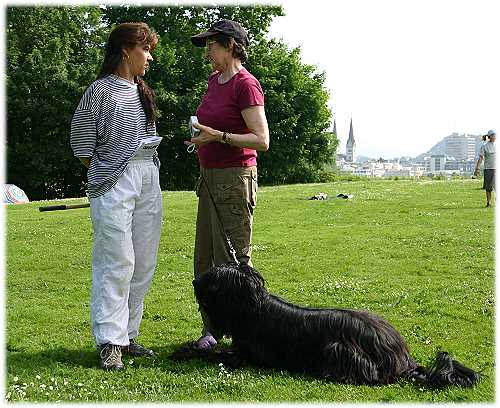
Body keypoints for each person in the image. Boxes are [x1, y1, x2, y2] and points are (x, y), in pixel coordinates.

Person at [70, 23, 162, 370]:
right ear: (126, 50)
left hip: (147, 178)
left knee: (143, 260)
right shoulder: (99, 90)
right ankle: (110, 340)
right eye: (145, 49)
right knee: (117, 260)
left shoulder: (142, 91)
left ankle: (128, 334)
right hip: (113, 182)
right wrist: (107, 172)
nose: (149, 57)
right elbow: (82, 143)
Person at [187, 20, 270, 349]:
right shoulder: (213, 81)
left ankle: (247, 335)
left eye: (212, 44)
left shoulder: (245, 85)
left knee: (234, 262)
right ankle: (212, 331)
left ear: (232, 45)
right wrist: (201, 138)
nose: (207, 49)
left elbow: (261, 140)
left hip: (235, 179)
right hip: (209, 179)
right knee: (205, 260)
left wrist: (218, 136)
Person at [474, 130, 496, 207]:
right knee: (488, 187)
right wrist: (477, 169)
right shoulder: (484, 146)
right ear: (490, 136)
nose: (495, 137)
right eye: (494, 135)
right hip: (488, 169)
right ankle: (488, 203)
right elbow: (480, 158)